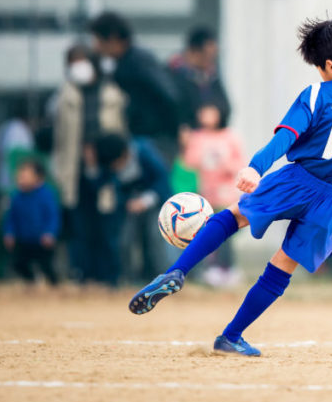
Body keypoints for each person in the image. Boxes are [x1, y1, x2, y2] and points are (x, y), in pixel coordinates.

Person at [127, 19, 332, 357]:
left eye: (319, 68)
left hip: (298, 180)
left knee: (234, 216)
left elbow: (285, 137)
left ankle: (176, 272)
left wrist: (255, 168)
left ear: (330, 65)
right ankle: (231, 335)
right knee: (282, 265)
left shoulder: (317, 94)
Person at [49, 44, 128, 285]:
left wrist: (110, 158)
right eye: (73, 62)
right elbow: (59, 136)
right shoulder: (65, 95)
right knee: (79, 228)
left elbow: (121, 133)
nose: (78, 67)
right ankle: (81, 275)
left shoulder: (112, 94)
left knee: (105, 228)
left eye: (81, 61)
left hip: (106, 169)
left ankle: (109, 278)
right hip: (75, 171)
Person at [89, 12, 183, 164]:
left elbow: (169, 95)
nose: (96, 46)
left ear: (112, 39)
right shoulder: (121, 63)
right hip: (140, 138)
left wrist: (177, 130)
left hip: (156, 140)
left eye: (98, 40)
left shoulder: (138, 61)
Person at [180, 102, 246, 286]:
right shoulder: (197, 137)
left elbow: (240, 163)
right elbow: (189, 162)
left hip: (227, 194)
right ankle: (210, 269)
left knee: (227, 232)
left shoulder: (230, 136)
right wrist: (186, 144)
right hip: (207, 195)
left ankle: (229, 269)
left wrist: (225, 164)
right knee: (208, 232)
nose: (206, 115)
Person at [94, 133, 173, 283]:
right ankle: (126, 278)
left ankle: (161, 278)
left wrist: (145, 201)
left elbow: (163, 179)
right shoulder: (109, 164)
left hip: (154, 202)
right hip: (128, 205)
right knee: (125, 240)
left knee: (154, 238)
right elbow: (103, 182)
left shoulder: (144, 152)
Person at [2, 158, 60, 285]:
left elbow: (52, 216)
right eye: (19, 176)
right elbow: (11, 218)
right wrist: (9, 233)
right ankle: (32, 282)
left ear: (38, 178)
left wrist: (50, 232)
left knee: (46, 266)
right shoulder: (16, 196)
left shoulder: (46, 194)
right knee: (19, 263)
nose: (21, 179)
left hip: (42, 240)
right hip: (24, 239)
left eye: (25, 176)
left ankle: (55, 286)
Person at [169, 26, 232, 130]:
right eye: (207, 55)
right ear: (193, 52)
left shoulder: (211, 76)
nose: (210, 61)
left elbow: (226, 107)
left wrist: (217, 113)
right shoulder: (173, 75)